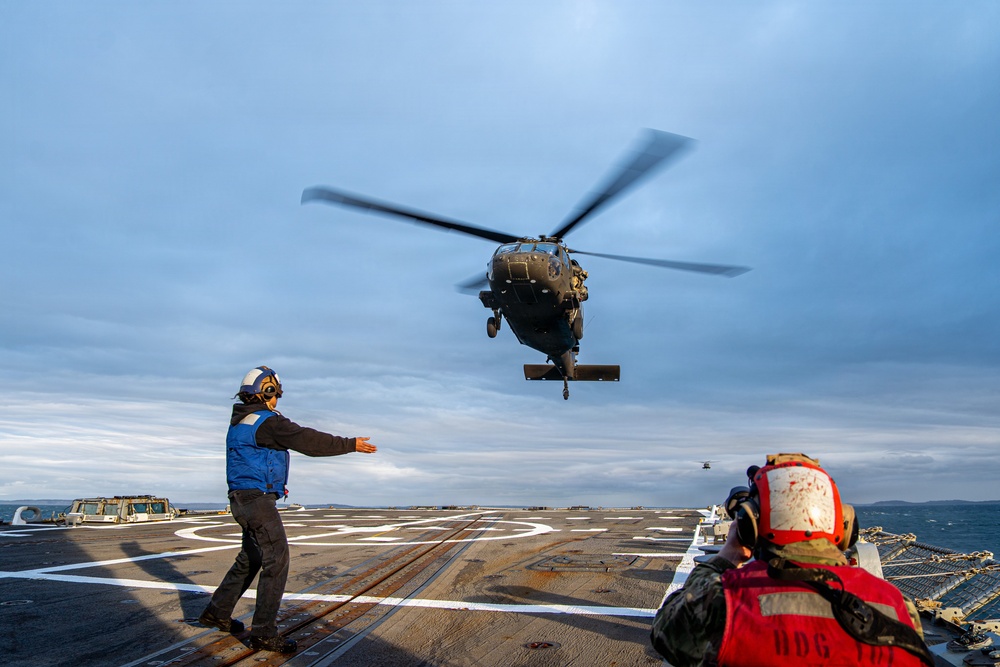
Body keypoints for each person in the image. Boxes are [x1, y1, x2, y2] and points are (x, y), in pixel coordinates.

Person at [650, 452, 933, 667]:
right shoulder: (898, 606)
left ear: (750, 524)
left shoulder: (726, 600)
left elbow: (665, 635)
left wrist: (725, 558)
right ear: (845, 525)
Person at [198, 366, 377, 654]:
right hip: (257, 501)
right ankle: (264, 633)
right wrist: (350, 445)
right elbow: (306, 440)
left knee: (251, 557)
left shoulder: (241, 421)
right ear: (268, 392)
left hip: (241, 499)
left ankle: (216, 612)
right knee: (277, 560)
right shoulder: (268, 422)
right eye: (275, 393)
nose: (277, 399)